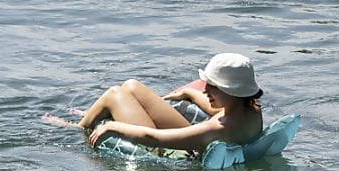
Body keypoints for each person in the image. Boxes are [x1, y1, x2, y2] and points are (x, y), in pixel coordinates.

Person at [45, 53, 265, 152]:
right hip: (193, 137)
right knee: (131, 86)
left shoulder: (216, 128)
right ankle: (98, 112)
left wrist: (111, 126)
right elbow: (212, 108)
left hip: (172, 149)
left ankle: (79, 127)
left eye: (212, 86)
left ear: (231, 91)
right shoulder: (251, 108)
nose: (205, 89)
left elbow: (154, 139)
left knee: (115, 93)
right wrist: (189, 93)